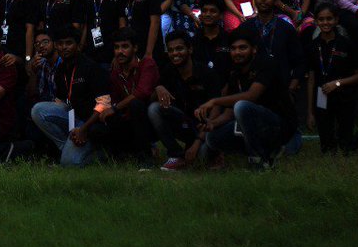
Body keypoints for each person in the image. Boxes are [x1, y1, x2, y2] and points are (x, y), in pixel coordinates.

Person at [195, 27, 298, 171]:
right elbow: (229, 113)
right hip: (255, 127)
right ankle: (264, 151)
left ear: (254, 49)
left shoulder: (267, 63)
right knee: (212, 138)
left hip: (279, 125)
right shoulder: (235, 72)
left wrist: (214, 101)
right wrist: (212, 123)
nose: (237, 52)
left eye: (242, 48)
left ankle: (259, 160)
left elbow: (251, 96)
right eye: (233, 48)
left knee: (242, 106)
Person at [29, 25, 111, 166]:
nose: (64, 47)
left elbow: (104, 104)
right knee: (38, 110)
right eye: (60, 44)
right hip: (75, 118)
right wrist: (74, 129)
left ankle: (104, 153)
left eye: (69, 43)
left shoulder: (91, 67)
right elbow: (63, 102)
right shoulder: (61, 69)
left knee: (69, 163)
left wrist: (83, 129)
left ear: (78, 45)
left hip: (92, 122)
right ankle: (67, 146)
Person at [149, 32, 219, 170]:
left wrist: (197, 143)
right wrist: (158, 88)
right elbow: (151, 99)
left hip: (207, 127)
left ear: (190, 49)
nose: (175, 53)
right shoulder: (169, 70)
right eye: (171, 50)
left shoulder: (206, 73)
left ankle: (211, 152)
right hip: (185, 123)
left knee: (202, 159)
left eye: (179, 48)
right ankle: (176, 154)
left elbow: (217, 109)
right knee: (154, 108)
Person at [304, 5, 358, 154]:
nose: (325, 23)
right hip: (322, 98)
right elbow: (311, 80)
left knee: (346, 149)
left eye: (329, 19)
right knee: (327, 149)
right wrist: (310, 112)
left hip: (344, 97)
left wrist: (337, 83)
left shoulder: (346, 44)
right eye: (321, 19)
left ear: (336, 20)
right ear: (316, 22)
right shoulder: (312, 46)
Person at [103, 29, 159, 165]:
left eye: (125, 46)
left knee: (136, 104)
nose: (119, 51)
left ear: (135, 48)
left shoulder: (146, 64)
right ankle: (122, 156)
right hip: (128, 120)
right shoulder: (116, 73)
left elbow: (142, 93)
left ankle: (146, 158)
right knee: (107, 118)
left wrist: (115, 108)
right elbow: (115, 100)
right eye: (116, 47)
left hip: (150, 121)